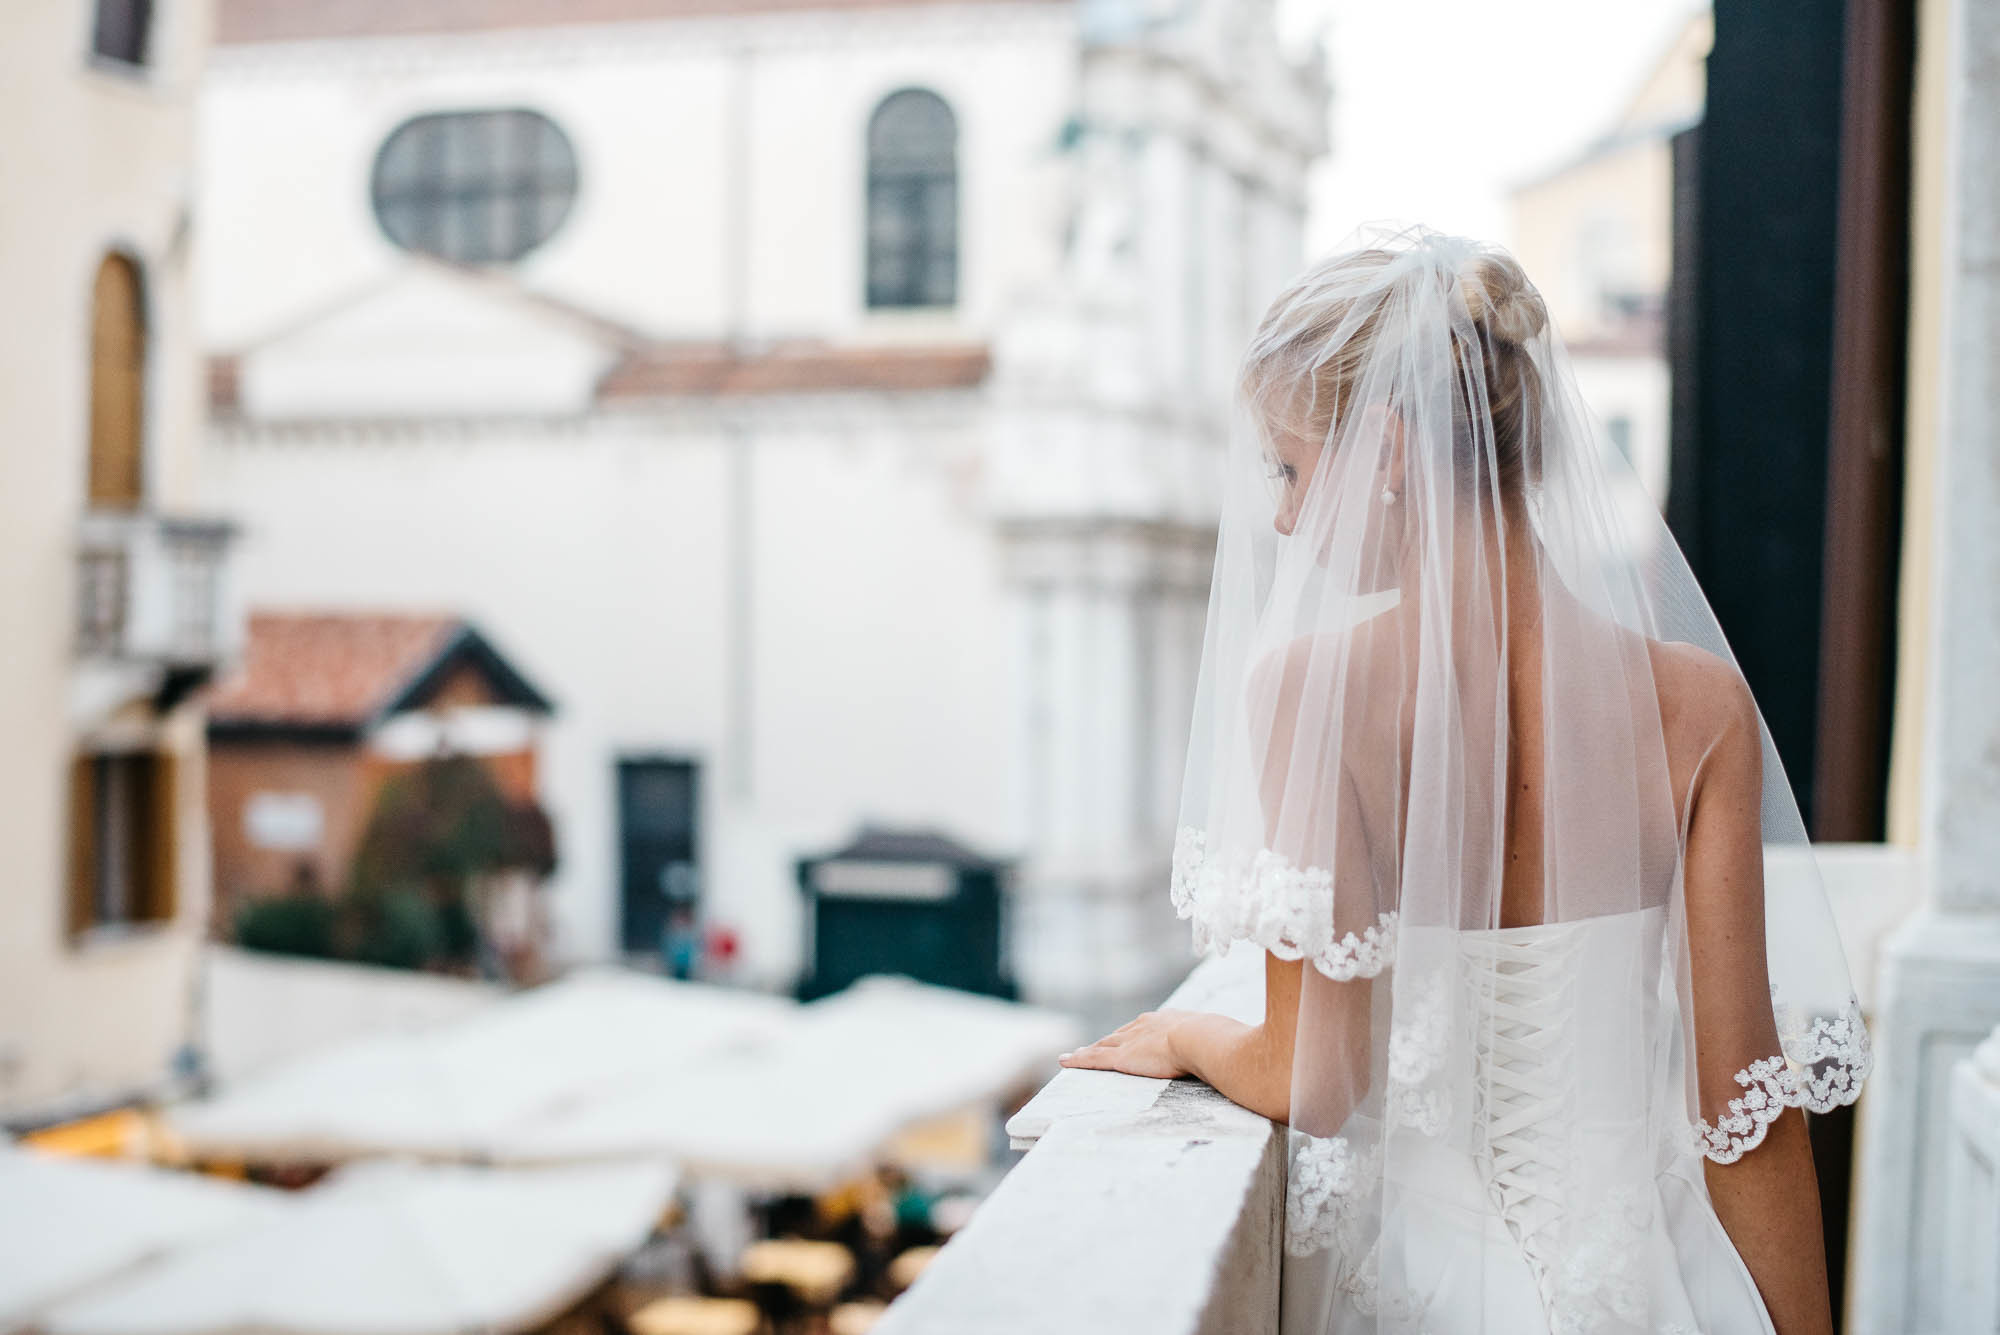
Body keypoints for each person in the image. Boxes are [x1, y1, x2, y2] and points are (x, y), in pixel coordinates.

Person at [1060, 225, 1869, 1334]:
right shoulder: (1698, 708)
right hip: (1657, 1283)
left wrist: (1181, 1036)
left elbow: (1313, 1073)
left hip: (1425, 1289)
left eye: (1289, 469)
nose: (1285, 516)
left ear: (1386, 456)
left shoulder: (1311, 691)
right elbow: (1742, 1109)